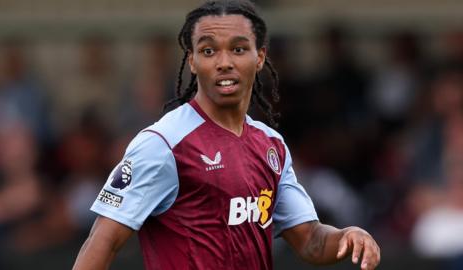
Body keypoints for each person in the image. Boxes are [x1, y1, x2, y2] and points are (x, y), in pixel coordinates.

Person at [73, 1, 380, 269]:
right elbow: (104, 241)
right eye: (208, 51)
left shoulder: (271, 146)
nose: (224, 63)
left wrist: (347, 236)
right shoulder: (164, 143)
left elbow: (310, 240)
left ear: (259, 57)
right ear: (192, 61)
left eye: (238, 49)